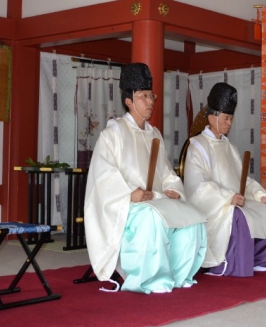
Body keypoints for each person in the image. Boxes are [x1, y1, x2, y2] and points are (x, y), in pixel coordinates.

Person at [84, 63, 207, 293]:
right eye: (143, 96)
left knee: (192, 215)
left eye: (152, 96)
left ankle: (179, 275)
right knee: (152, 217)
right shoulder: (113, 134)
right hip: (128, 207)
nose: (150, 101)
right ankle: (151, 279)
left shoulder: (154, 134)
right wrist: (130, 194)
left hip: (156, 200)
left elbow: (167, 172)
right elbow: (102, 176)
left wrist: (173, 188)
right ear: (129, 101)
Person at [183, 82, 266, 277]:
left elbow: (243, 180)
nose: (229, 123)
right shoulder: (197, 146)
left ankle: (258, 259)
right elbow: (198, 186)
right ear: (212, 117)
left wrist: (259, 193)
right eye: (226, 118)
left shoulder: (230, 147)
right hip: (213, 206)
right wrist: (228, 198)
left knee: (264, 208)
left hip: (234, 200)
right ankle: (228, 264)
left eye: (231, 119)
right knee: (237, 214)